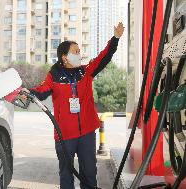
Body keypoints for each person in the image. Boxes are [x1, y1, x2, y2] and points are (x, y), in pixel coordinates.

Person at [21, 22, 124, 189]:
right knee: (66, 175)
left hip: (87, 134)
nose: (79, 54)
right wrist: (28, 92)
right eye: (76, 52)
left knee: (89, 173)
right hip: (64, 134)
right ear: (65, 57)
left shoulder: (86, 71)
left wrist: (116, 38)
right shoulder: (53, 75)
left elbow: (104, 57)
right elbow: (42, 89)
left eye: (79, 52)